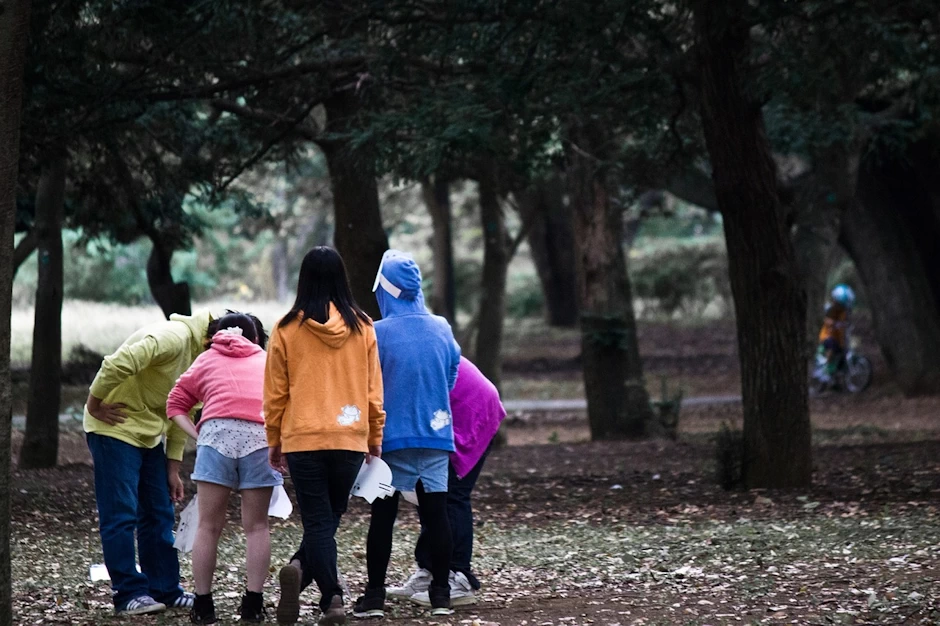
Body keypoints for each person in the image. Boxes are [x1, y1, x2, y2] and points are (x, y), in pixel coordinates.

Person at [265, 247, 385, 626]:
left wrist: (274, 438)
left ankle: (307, 576)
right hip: (349, 438)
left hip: (303, 439)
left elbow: (275, 393)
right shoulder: (363, 326)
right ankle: (328, 594)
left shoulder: (285, 328)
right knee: (328, 519)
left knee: (320, 520)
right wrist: (375, 435)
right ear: (342, 278)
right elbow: (373, 389)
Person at [353, 250, 461, 619]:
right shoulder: (442, 327)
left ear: (384, 288)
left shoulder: (376, 333)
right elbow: (451, 375)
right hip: (435, 435)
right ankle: (441, 594)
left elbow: (368, 384)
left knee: (383, 518)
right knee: (437, 516)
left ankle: (375, 597)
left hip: (390, 438)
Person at [84, 309, 213, 616]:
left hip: (149, 435)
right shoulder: (173, 338)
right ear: (212, 339)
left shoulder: (203, 361)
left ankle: (165, 589)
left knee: (159, 512)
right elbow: (117, 362)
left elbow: (184, 408)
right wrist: (94, 404)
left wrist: (172, 468)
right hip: (114, 428)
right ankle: (128, 593)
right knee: (122, 513)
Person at [166, 311, 282, 624]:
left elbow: (175, 403)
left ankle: (203, 605)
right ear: (256, 338)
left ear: (216, 335)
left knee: (208, 526)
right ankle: (253, 604)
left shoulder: (205, 360)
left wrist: (198, 433)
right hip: (260, 437)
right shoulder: (267, 361)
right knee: (257, 527)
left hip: (215, 437)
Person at [389, 356, 506, 607]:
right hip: (446, 414)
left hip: (471, 411)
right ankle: (431, 569)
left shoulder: (384, 346)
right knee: (428, 491)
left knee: (451, 494)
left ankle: (459, 577)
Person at [817, 283, 856, 383]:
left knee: (843, 351)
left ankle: (837, 377)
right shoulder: (830, 309)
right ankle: (825, 370)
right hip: (828, 336)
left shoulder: (843, 312)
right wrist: (833, 323)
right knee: (832, 345)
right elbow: (826, 320)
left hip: (840, 337)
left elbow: (846, 323)